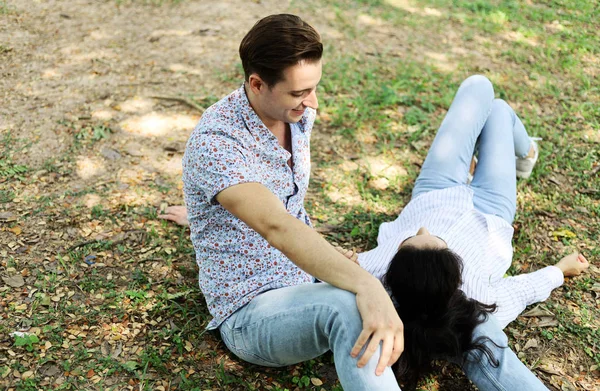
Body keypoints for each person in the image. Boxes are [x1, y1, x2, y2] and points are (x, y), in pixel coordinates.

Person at [164, 14, 569, 390]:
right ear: (256, 84)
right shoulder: (218, 145)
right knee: (352, 307)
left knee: (461, 310)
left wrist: (207, 216)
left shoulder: (292, 112)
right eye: (300, 92)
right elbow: (275, 225)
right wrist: (366, 287)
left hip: (311, 281)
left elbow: (274, 208)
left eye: (314, 87)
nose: (313, 103)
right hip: (254, 313)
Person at [355, 74, 590, 386]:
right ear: (455, 271)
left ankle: (492, 154)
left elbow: (335, 269)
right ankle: (527, 153)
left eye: (411, 238)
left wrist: (347, 259)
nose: (423, 229)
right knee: (501, 111)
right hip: (492, 207)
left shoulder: (378, 271)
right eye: (435, 239)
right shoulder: (477, 300)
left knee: (479, 87)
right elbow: (522, 290)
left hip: (433, 190)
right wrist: (561, 270)